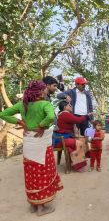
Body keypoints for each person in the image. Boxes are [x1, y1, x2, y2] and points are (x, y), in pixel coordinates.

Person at [0, 80, 63, 216]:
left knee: (32, 173)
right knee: (44, 172)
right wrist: (41, 125)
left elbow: (3, 114)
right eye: (44, 88)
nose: (46, 90)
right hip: (42, 142)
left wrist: (19, 121)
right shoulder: (45, 104)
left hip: (29, 143)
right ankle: (41, 208)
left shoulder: (23, 105)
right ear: (41, 91)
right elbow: (51, 117)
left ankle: (34, 205)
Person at [54, 100, 91, 172]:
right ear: (65, 107)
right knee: (79, 143)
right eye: (69, 105)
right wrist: (86, 116)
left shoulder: (63, 114)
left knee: (83, 139)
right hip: (62, 139)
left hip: (65, 137)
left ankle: (80, 158)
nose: (71, 106)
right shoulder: (65, 114)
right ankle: (79, 164)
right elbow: (78, 120)